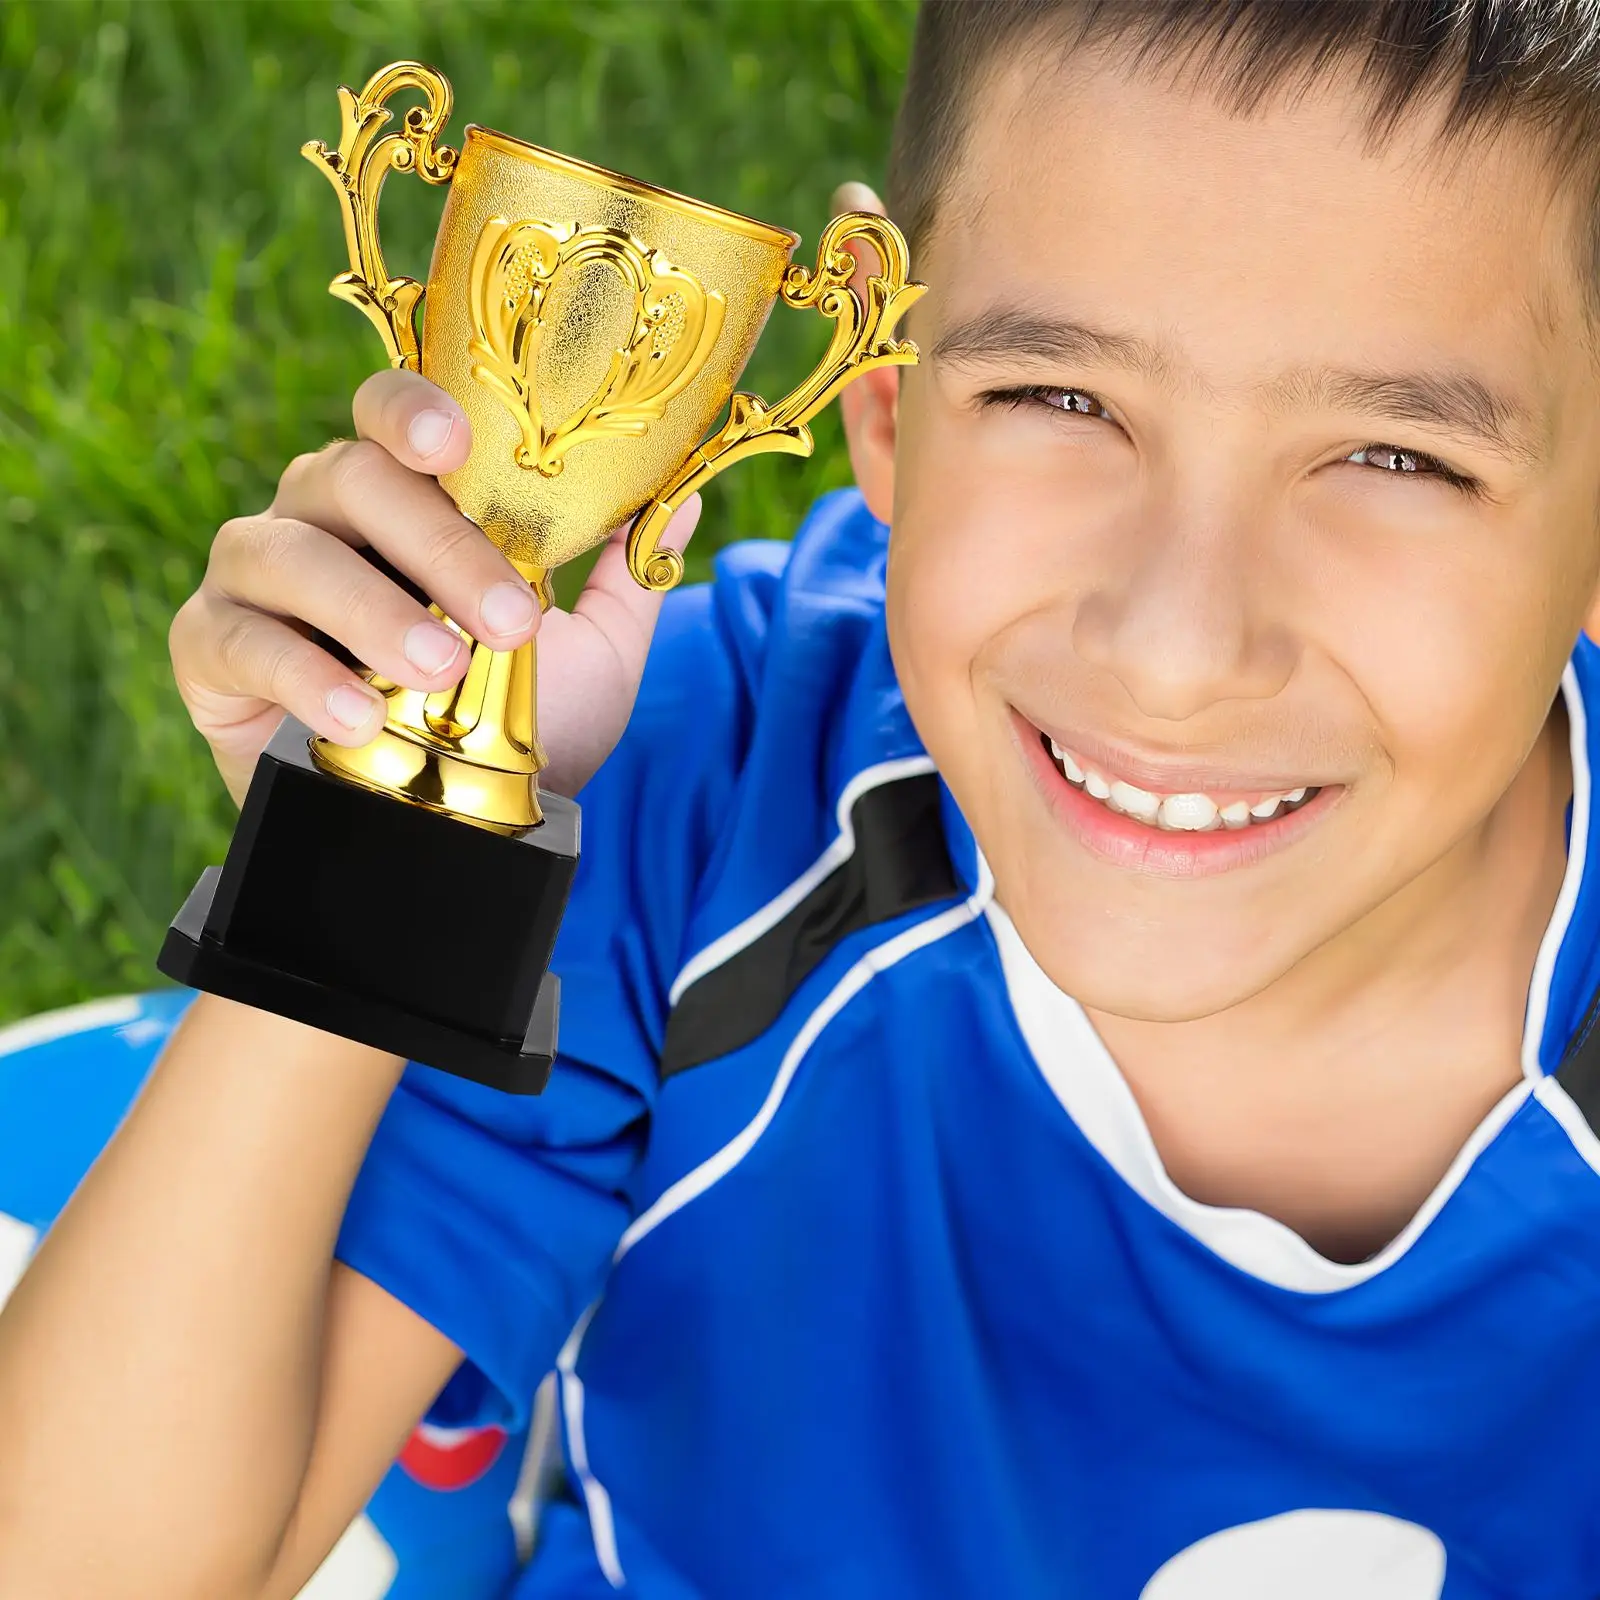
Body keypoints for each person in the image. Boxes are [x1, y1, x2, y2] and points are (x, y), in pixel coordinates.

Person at [5, 0, 1600, 1594]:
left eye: (1399, 459)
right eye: (1062, 401)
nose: (1179, 652)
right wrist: (380, 820)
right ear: (888, 401)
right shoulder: (705, 785)